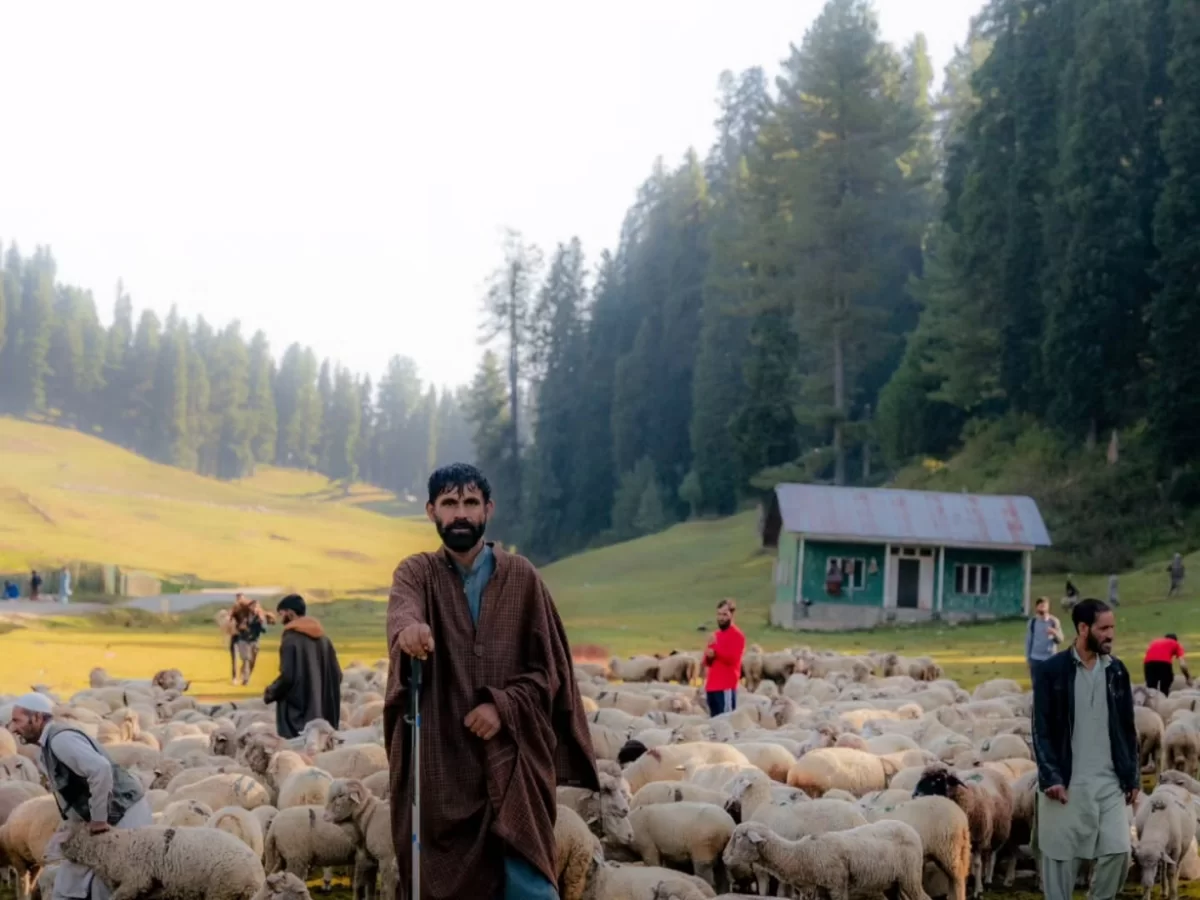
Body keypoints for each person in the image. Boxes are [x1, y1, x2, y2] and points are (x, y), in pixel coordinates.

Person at [386, 463, 598, 899]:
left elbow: (550, 671)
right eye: (449, 503)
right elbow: (402, 610)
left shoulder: (522, 578)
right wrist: (410, 630)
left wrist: (502, 707)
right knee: (443, 880)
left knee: (530, 884)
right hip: (443, 761)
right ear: (431, 511)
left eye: (469, 502)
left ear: (488, 509)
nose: (460, 513)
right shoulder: (417, 573)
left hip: (513, 758)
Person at [1031, 598, 1138, 900]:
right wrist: (1050, 776)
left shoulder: (1117, 671)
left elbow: (1128, 728)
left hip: (1108, 781)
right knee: (1059, 861)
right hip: (1066, 781)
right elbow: (1041, 728)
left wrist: (1131, 777)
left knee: (1120, 851)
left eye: (1112, 627)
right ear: (1082, 628)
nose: (1110, 634)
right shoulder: (1051, 671)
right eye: (1103, 628)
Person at [10, 692, 152, 900]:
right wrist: (68, 829)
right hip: (105, 817)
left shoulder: (61, 740)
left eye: (17, 720)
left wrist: (98, 819)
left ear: (38, 718)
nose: (13, 728)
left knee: (107, 883)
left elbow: (100, 770)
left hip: (124, 814)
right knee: (67, 883)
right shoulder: (48, 746)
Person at [262, 594, 342, 738]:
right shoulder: (324, 639)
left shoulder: (291, 639)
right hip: (324, 717)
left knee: (297, 757)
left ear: (290, 613)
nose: (280, 620)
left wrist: (271, 692)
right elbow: (337, 674)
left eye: (281, 614)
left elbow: (288, 677)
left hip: (299, 720)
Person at [703, 599, 745, 717]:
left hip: (726, 686)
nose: (721, 618)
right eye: (719, 614)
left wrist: (715, 652)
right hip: (711, 687)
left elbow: (733, 658)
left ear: (732, 615)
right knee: (713, 725)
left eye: (725, 614)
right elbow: (707, 662)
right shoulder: (715, 635)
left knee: (727, 722)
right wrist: (709, 654)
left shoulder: (737, 636)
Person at [229, 593, 268, 686]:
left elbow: (265, 630)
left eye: (256, 607)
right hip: (244, 639)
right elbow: (234, 623)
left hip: (255, 640)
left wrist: (262, 623)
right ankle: (245, 679)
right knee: (246, 658)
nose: (254, 609)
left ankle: (246, 675)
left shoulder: (260, 616)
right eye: (253, 607)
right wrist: (240, 627)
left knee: (252, 661)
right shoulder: (242, 614)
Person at [1025, 596, 1063, 679]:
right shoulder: (1032, 622)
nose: (1042, 608)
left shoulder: (1054, 621)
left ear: (1048, 607)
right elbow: (1028, 641)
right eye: (1040, 606)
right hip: (1035, 659)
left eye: (1044, 606)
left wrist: (1054, 633)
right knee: (1037, 685)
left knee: (1051, 685)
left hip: (1051, 658)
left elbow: (1060, 640)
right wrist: (1028, 659)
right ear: (1036, 608)